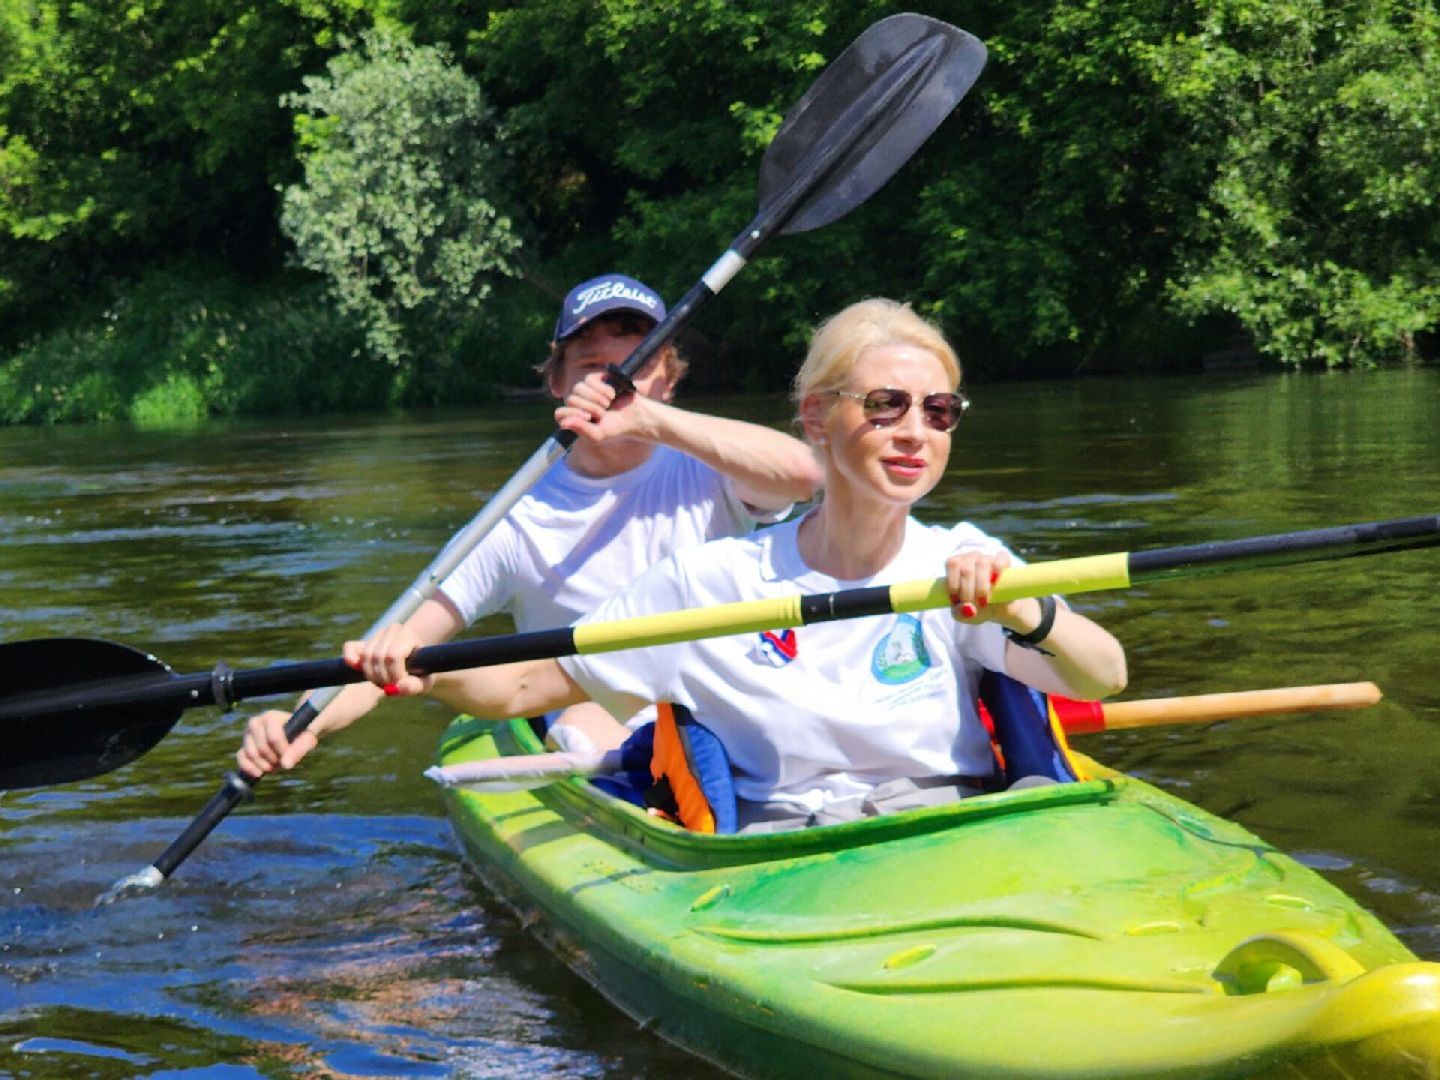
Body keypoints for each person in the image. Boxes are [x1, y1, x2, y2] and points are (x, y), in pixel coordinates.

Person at [345, 297, 1128, 832]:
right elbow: (521, 685)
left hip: (954, 830)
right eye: (885, 404)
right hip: (782, 858)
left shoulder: (964, 559)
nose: (914, 431)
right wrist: (423, 670)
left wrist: (1026, 611)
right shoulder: (708, 585)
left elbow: (1103, 676)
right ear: (818, 417)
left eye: (939, 411)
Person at [236, 272, 822, 778]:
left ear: (667, 380)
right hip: (589, 722)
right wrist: (300, 724)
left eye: (635, 365)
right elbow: (394, 647)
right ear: (558, 384)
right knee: (586, 718)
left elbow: (805, 477)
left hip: (724, 710)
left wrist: (647, 420)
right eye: (592, 365)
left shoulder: (713, 468)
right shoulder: (514, 520)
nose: (613, 379)